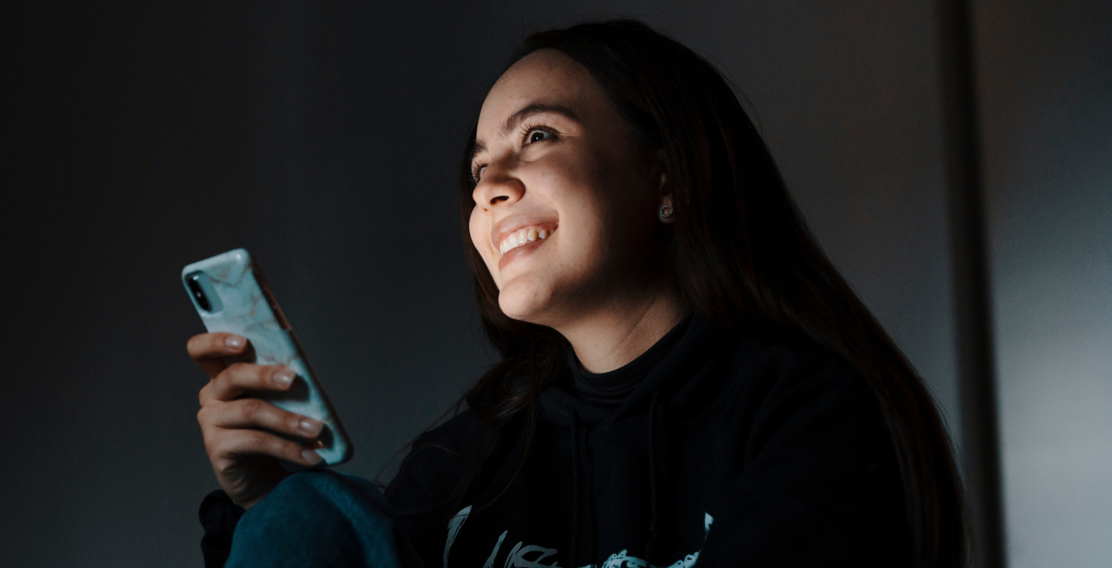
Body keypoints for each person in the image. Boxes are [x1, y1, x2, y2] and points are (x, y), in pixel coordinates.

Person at [188, 19, 966, 568]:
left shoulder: (811, 416)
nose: (490, 186)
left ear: (665, 178)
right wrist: (265, 510)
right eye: (476, 170)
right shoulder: (475, 455)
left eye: (538, 136)